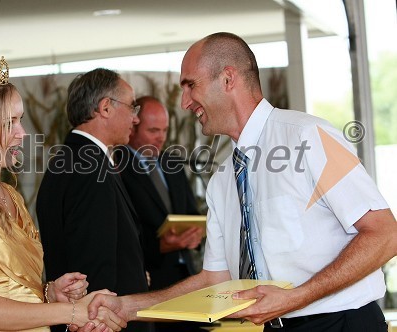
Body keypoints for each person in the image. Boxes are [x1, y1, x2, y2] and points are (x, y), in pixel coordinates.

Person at [79, 32, 397, 332]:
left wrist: (296, 298)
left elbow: (385, 234)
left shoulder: (309, 137)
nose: (185, 103)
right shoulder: (222, 180)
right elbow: (214, 279)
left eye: (190, 85)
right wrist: (126, 307)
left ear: (228, 79)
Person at [0, 58, 125, 332]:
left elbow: (12, 288)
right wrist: (70, 312)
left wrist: (49, 292)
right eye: (8, 123)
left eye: (20, 120)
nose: (22, 133)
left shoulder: (12, 195)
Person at [36, 68, 152, 332]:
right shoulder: (88, 170)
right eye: (132, 107)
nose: (135, 119)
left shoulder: (77, 160)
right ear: (105, 108)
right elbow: (93, 268)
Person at [115, 96, 204, 331]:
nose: (161, 137)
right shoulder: (116, 168)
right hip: (150, 282)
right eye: (153, 130)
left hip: (188, 278)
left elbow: (191, 213)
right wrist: (159, 246)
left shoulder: (172, 162)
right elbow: (121, 235)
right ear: (132, 127)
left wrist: (196, 237)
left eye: (164, 130)